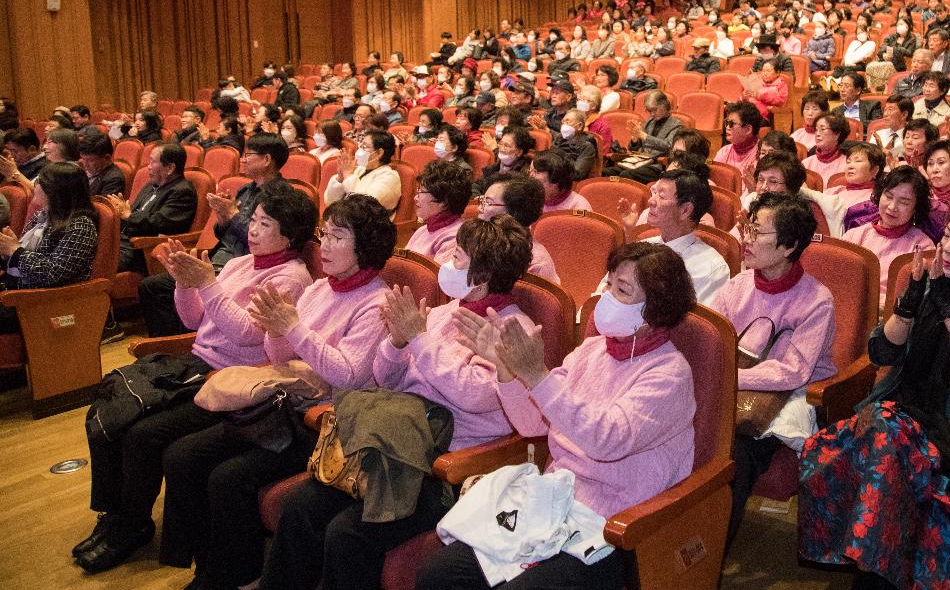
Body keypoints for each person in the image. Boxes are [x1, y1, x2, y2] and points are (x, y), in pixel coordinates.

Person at [259, 216, 536, 590]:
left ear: (481, 276)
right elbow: (387, 378)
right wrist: (397, 343)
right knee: (300, 507)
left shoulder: (512, 332)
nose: (446, 266)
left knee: (347, 533)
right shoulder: (442, 314)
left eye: (457, 258)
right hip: (394, 442)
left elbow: (474, 395)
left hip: (443, 464)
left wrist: (419, 341)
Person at [417, 241, 698, 589]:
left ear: (654, 309)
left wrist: (536, 376)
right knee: (439, 574)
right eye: (608, 284)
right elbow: (534, 423)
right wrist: (506, 369)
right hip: (554, 501)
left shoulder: (669, 373)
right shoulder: (593, 348)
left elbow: (606, 440)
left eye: (622, 291)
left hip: (615, 525)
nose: (606, 297)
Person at [73, 188, 314, 574]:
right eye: (252, 220)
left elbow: (247, 335)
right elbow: (193, 320)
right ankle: (114, 515)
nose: (251, 229)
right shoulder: (240, 264)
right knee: (111, 408)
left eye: (264, 224)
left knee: (143, 434)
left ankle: (132, 526)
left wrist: (208, 284)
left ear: (289, 236)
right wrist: (186, 282)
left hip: (232, 380)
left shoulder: (291, 278)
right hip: (194, 365)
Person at [798, 189, 950, 589]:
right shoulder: (925, 279)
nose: (947, 250)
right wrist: (909, 302)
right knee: (882, 433)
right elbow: (882, 350)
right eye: (947, 237)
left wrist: (947, 308)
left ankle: (869, 578)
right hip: (898, 408)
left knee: (886, 446)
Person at [159, 194, 394, 590]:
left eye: (338, 236)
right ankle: (208, 566)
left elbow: (349, 375)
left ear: (365, 247)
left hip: (325, 421)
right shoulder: (322, 288)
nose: (325, 245)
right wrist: (277, 329)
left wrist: (292, 328)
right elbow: (278, 356)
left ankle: (233, 575)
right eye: (325, 234)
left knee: (229, 478)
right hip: (282, 404)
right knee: (184, 454)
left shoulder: (376, 302)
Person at [712, 193, 832, 544]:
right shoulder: (738, 285)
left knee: (735, 454)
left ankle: (711, 558)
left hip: (786, 397)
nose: (745, 239)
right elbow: (713, 338)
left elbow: (793, 372)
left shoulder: (817, 300)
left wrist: (729, 377)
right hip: (736, 383)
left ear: (788, 245)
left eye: (757, 232)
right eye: (748, 227)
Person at [139, 133, 291, 337]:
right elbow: (223, 234)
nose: (242, 159)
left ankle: (188, 340)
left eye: (248, 155)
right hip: (220, 259)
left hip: (244, 266)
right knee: (152, 286)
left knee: (163, 286)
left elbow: (262, 241)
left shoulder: (281, 196)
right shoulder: (246, 189)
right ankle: (173, 341)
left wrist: (233, 215)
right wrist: (223, 218)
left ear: (266, 160)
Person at [619, 169, 729, 303]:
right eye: (654, 193)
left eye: (661, 196)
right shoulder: (643, 246)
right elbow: (605, 290)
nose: (651, 201)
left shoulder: (711, 268)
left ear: (685, 210)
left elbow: (695, 323)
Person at [0, 161, 98, 306]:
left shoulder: (81, 225)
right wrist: (5, 250)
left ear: (55, 190)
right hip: (17, 290)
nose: (34, 185)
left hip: (46, 302)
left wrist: (15, 251)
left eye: (39, 181)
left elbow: (53, 273)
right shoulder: (42, 216)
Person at [842, 166, 933, 305]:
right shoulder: (854, 235)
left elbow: (915, 300)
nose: (892, 207)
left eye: (903, 202)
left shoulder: (923, 247)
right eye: (888, 196)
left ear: (916, 208)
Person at [106, 144, 198, 275]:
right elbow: (131, 212)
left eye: (153, 162)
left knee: (96, 266)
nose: (148, 166)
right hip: (120, 242)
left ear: (170, 168)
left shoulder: (182, 191)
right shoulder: (151, 185)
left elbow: (160, 222)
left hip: (140, 249)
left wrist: (128, 216)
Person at [477, 173, 558, 282]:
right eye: (482, 201)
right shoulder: (480, 239)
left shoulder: (537, 263)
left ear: (513, 213)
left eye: (488, 203)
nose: (479, 208)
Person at [403, 160, 471, 262]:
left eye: (421, 192)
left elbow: (436, 277)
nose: (416, 198)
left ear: (443, 201)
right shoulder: (424, 229)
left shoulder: (455, 238)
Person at [322, 130, 401, 215]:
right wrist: (340, 179)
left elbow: (363, 207)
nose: (360, 150)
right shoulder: (360, 169)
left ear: (379, 153)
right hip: (346, 219)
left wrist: (348, 176)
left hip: (370, 225)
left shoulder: (389, 177)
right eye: (361, 145)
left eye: (365, 146)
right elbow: (330, 202)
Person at [714, 101, 766, 182]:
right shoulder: (723, 152)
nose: (727, 127)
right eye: (727, 122)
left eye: (732, 123)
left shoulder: (762, 154)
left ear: (748, 129)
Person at [802, 112, 851, 188]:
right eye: (816, 129)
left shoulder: (847, 164)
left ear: (837, 134)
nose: (817, 134)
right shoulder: (806, 163)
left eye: (822, 129)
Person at [79, 129, 127, 197]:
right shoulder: (83, 171)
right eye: (83, 159)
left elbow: (102, 207)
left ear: (107, 158)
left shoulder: (114, 179)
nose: (85, 164)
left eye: (90, 160)